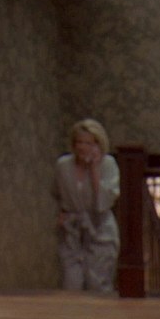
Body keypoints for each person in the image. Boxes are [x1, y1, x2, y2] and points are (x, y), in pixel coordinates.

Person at [53, 118, 120, 292]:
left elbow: (104, 202)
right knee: (71, 283)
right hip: (72, 231)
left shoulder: (108, 164)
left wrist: (94, 169)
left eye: (89, 143)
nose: (83, 147)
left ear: (98, 145)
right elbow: (57, 193)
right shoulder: (63, 165)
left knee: (97, 284)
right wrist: (61, 214)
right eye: (79, 142)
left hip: (100, 230)